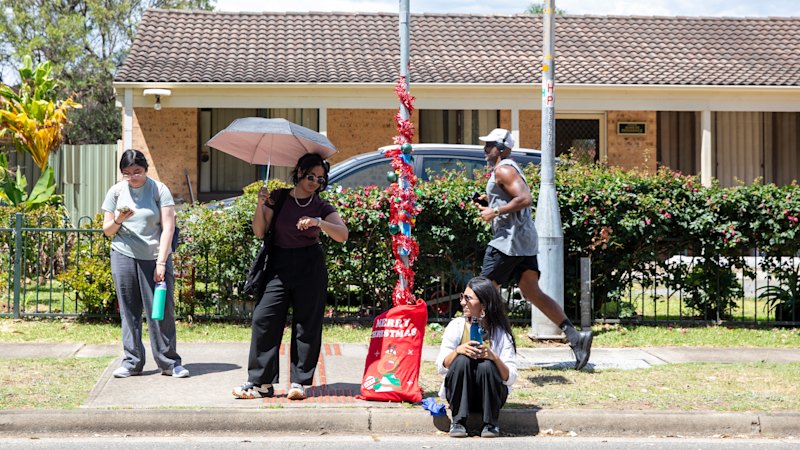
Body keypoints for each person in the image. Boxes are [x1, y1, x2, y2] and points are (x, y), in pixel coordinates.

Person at [233, 153, 349, 400]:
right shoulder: (279, 197)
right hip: (279, 263)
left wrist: (319, 222)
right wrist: (261, 204)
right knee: (264, 319)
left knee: (306, 324)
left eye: (320, 178)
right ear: (298, 172)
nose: (315, 182)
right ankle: (261, 383)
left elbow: (342, 234)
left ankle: (300, 382)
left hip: (310, 264)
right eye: (310, 176)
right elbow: (259, 231)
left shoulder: (321, 205)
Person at [475, 128, 593, 370]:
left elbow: (525, 198)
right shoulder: (507, 169)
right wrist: (490, 202)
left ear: (502, 148)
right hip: (523, 241)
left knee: (480, 291)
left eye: (489, 145)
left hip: (508, 242)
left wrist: (494, 211)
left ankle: (478, 341)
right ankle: (575, 337)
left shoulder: (504, 169)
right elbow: (513, 199)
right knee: (532, 292)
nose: (485, 149)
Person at [101, 149, 189, 379]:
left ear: (146, 169)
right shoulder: (116, 192)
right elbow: (107, 230)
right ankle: (132, 362)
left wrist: (162, 261)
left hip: (155, 257)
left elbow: (168, 227)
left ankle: (169, 362)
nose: (133, 177)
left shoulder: (159, 190)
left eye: (137, 171)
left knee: (160, 311)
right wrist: (120, 218)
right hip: (123, 254)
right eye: (127, 173)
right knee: (129, 312)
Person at [435, 276, 517, 438]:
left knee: (487, 364)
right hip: (460, 394)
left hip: (490, 396)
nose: (463, 302)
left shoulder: (500, 333)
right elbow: (441, 366)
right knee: (463, 359)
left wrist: (493, 357)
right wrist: (458, 350)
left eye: (468, 298)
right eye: (462, 297)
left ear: (484, 304)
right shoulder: (456, 326)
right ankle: (458, 422)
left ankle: (490, 423)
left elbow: (510, 377)